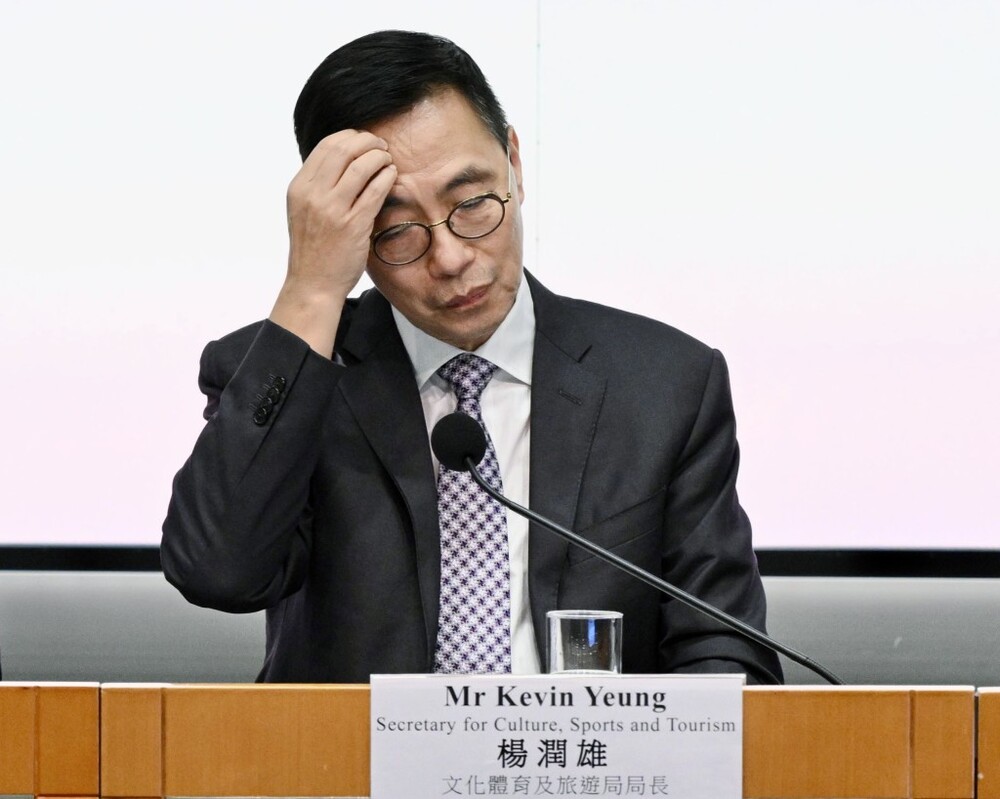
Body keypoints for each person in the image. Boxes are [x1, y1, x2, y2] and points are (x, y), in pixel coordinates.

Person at [161, 30, 783, 684]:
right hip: (355, 754)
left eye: (473, 204)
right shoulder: (292, 375)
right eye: (397, 231)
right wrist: (312, 288)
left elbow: (725, 650)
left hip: (589, 751)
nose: (452, 257)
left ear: (514, 162)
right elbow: (216, 572)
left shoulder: (664, 385)